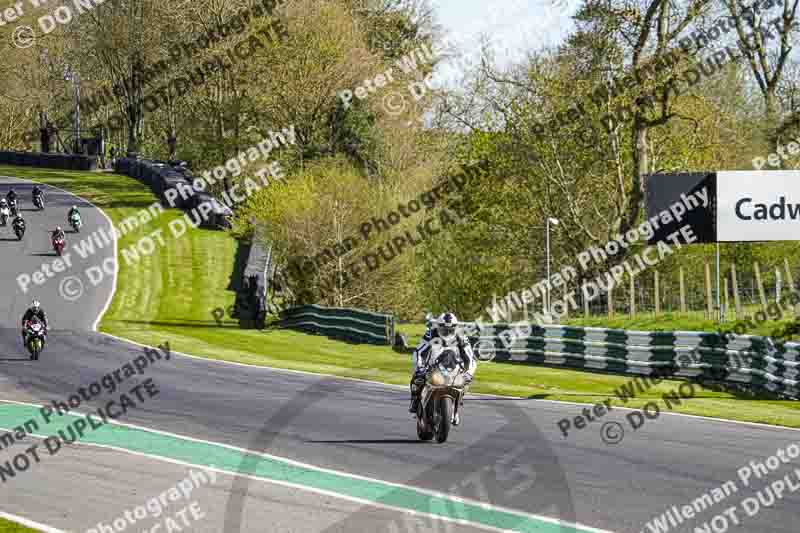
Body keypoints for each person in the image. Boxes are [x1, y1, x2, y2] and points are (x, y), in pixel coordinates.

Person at [408, 312, 477, 425]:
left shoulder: (462, 337)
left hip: (454, 368)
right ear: (438, 326)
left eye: (450, 329)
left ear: (455, 327)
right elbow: (419, 352)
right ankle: (415, 401)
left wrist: (469, 373)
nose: (447, 332)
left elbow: (471, 358)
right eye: (444, 329)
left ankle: (455, 408)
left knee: (465, 383)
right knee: (418, 378)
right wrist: (420, 367)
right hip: (433, 365)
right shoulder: (431, 334)